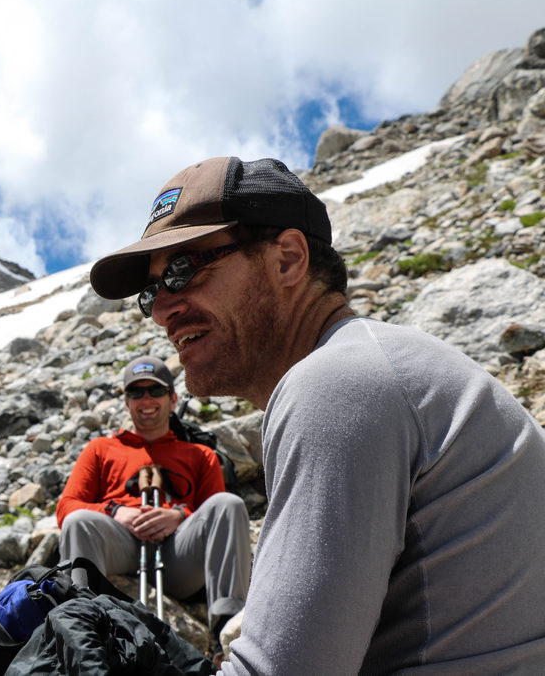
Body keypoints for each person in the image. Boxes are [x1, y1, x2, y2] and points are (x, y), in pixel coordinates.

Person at [87, 155, 545, 674]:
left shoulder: (337, 386)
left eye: (184, 268)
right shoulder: (379, 362)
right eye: (151, 292)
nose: (164, 309)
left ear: (287, 258)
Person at [56, 355, 251, 646]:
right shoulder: (100, 449)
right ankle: (86, 635)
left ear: (172, 399)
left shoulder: (200, 455)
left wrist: (180, 516)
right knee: (77, 521)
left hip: (177, 555)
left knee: (228, 504)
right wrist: (115, 510)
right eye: (136, 392)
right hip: (120, 547)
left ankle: (229, 630)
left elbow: (217, 518)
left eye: (155, 391)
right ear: (126, 402)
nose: (146, 399)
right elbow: (67, 506)